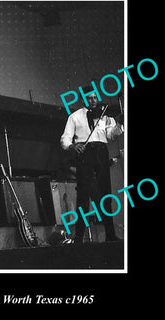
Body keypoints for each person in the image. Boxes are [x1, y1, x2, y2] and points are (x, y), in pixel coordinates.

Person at [60, 86, 124, 243]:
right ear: (83, 100)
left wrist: (119, 125)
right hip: (85, 154)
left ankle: (110, 235)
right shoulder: (74, 116)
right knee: (83, 195)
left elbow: (111, 135)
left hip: (101, 152)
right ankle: (79, 237)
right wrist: (73, 146)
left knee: (105, 193)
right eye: (90, 98)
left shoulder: (104, 117)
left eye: (95, 98)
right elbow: (65, 138)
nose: (93, 101)